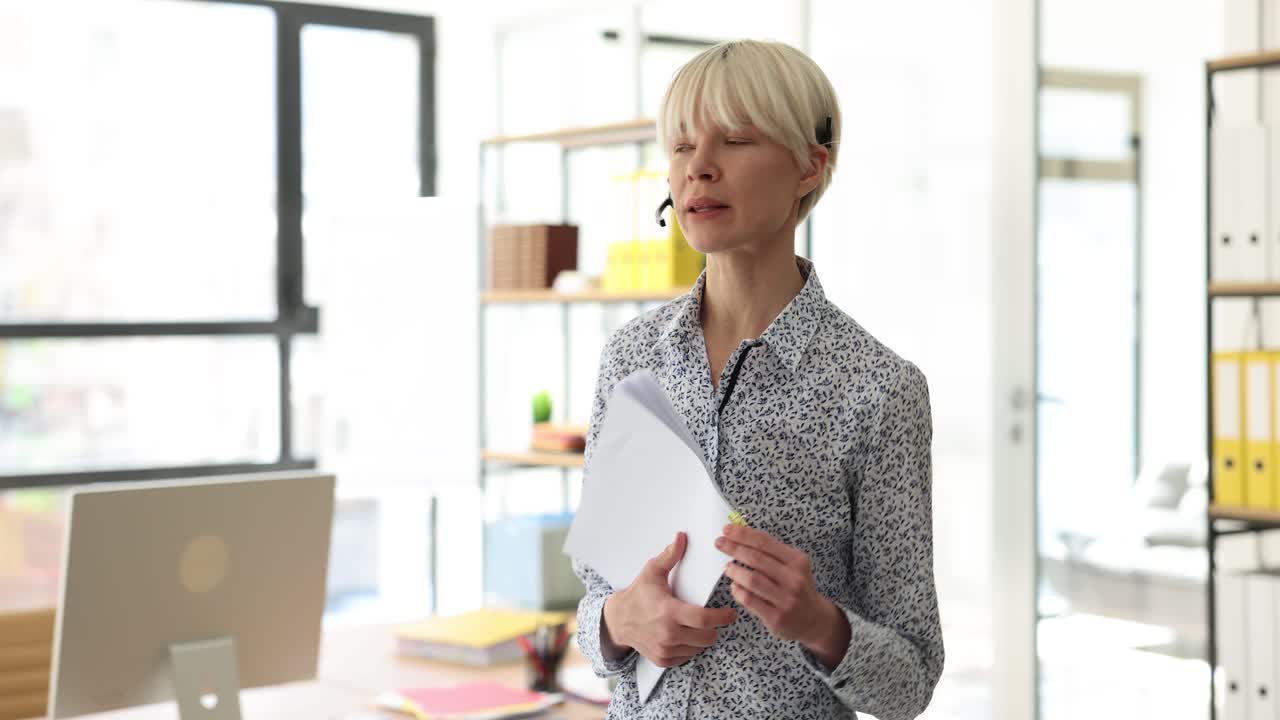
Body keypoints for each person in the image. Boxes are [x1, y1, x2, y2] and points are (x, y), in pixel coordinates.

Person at [571, 39, 943, 720]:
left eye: (735, 140)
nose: (699, 169)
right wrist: (622, 621)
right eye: (681, 148)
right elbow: (594, 605)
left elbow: (910, 681)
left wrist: (818, 623)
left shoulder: (879, 391)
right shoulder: (628, 360)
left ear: (809, 166)